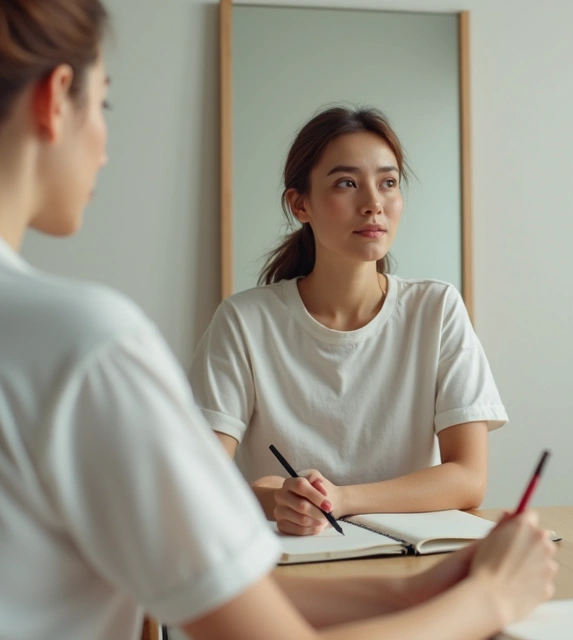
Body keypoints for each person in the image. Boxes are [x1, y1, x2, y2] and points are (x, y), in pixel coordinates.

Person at [0, 1, 556, 638]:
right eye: (105, 103)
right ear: (54, 98)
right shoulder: (83, 347)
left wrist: (408, 589)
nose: (104, 146)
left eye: (388, 181)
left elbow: (180, 588)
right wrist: (492, 597)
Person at [188, 106, 507, 536]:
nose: (373, 203)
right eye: (346, 183)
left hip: (411, 559)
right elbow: (193, 481)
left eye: (388, 183)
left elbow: (469, 479)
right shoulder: (244, 322)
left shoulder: (437, 309)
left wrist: (344, 498)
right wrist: (271, 499)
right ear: (300, 204)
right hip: (293, 562)